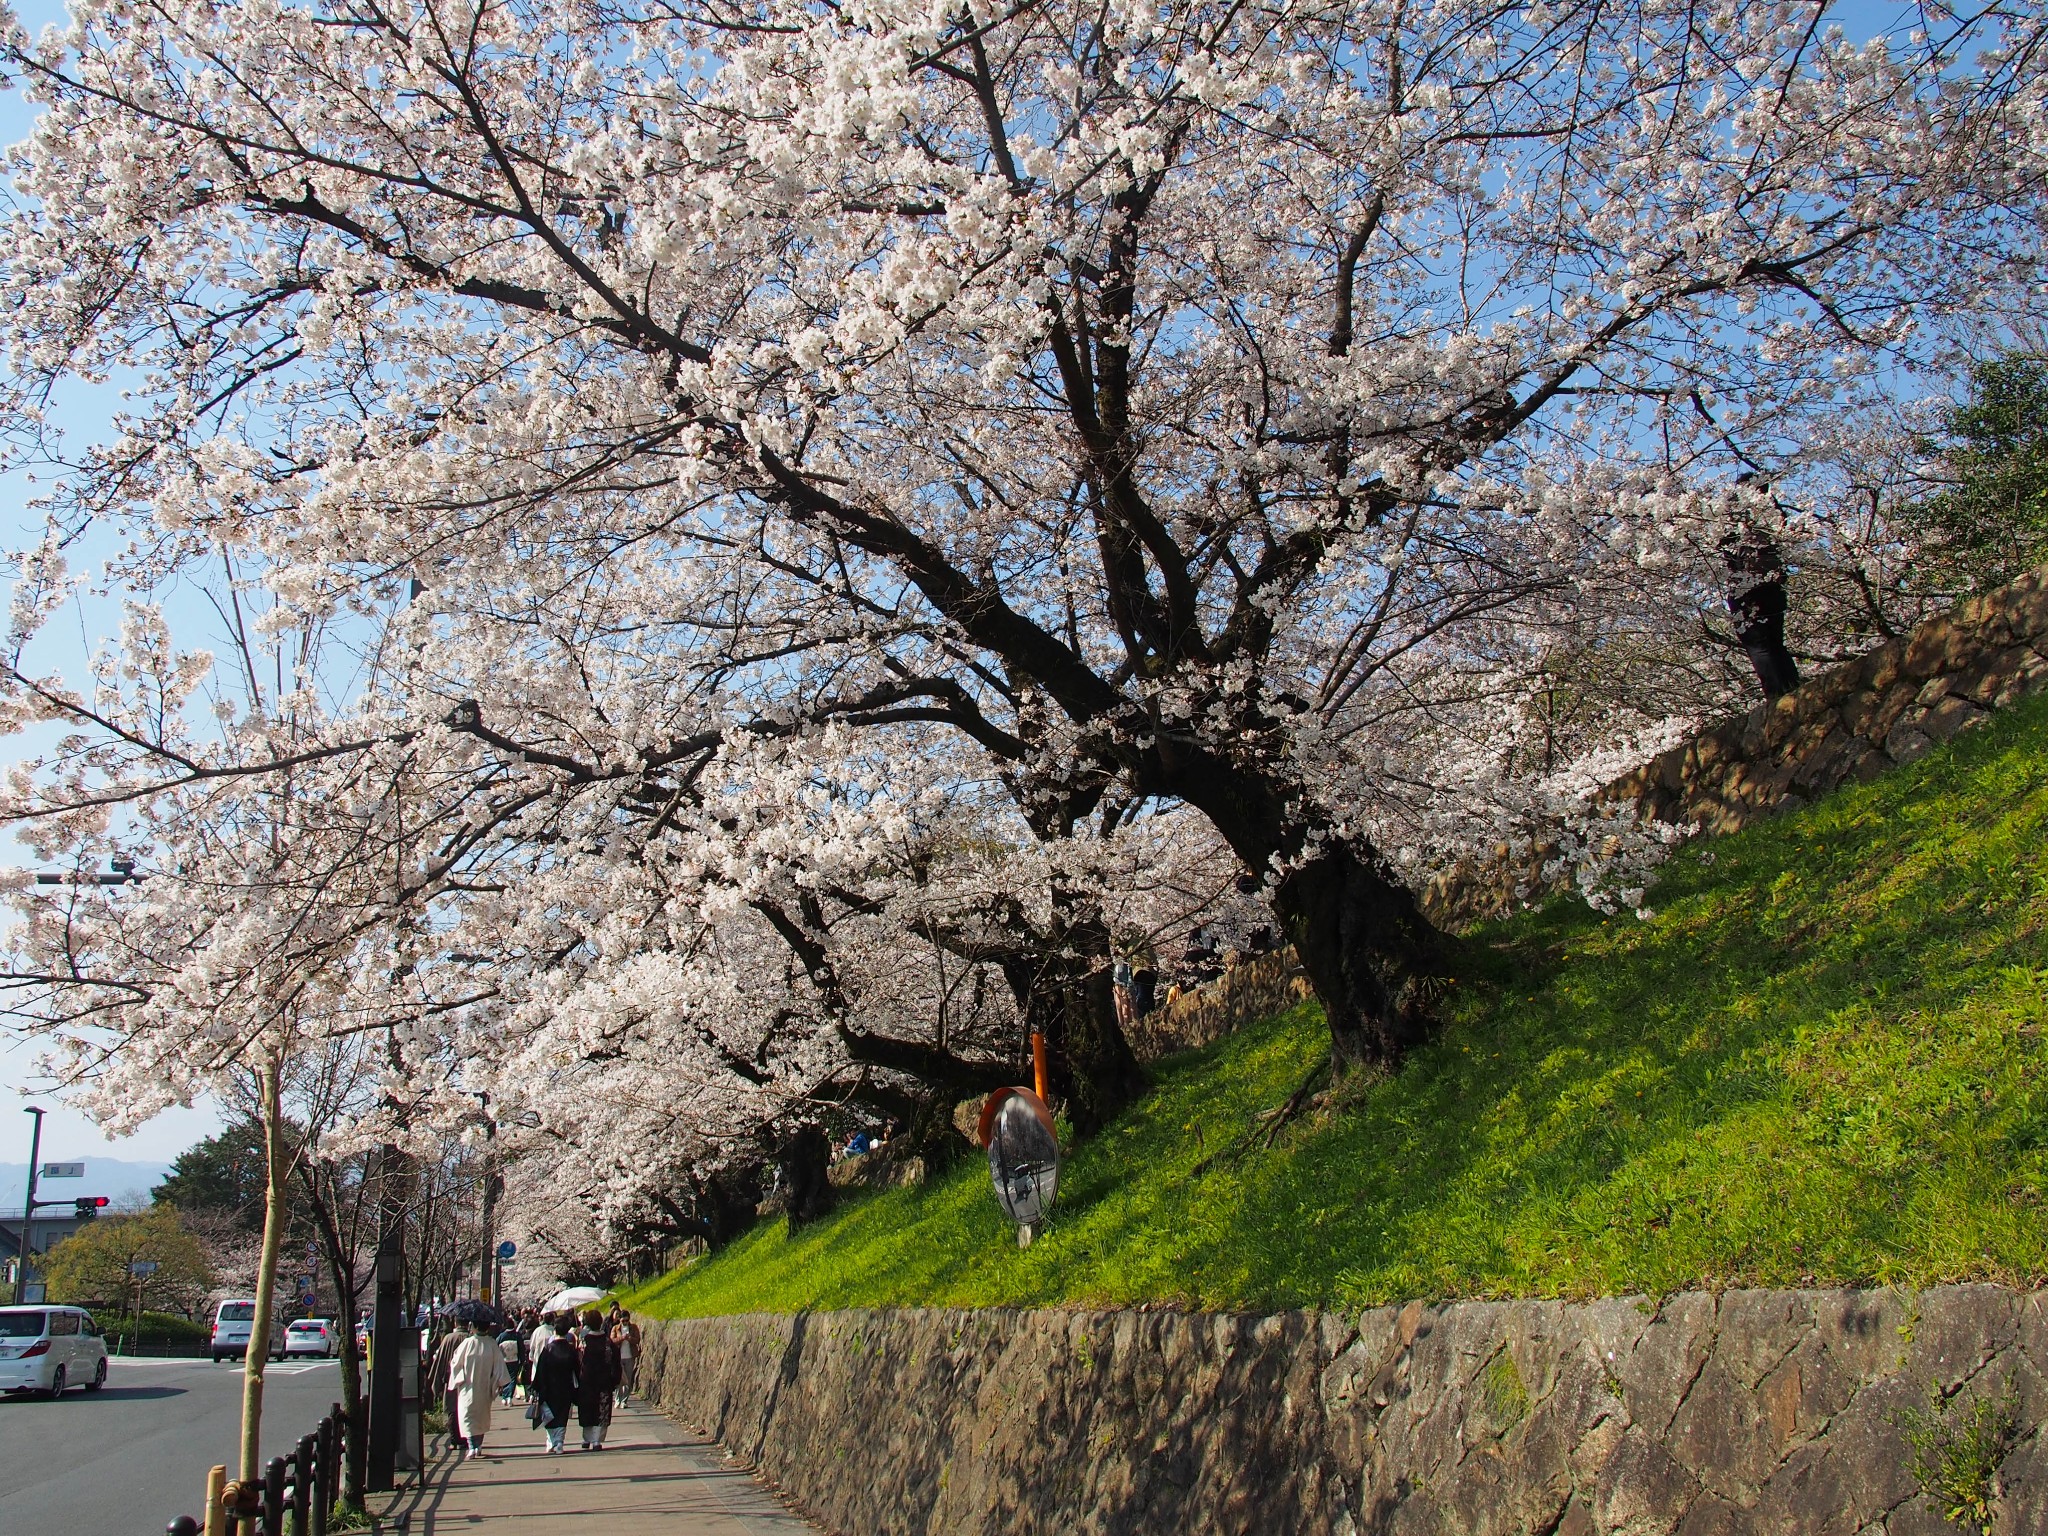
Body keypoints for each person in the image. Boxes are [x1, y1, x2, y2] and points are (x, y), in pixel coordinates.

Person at [446, 1318, 511, 1459]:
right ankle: (475, 1445)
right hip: (484, 1386)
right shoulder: (492, 1344)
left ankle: (473, 1446)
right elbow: (499, 1366)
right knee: (479, 1416)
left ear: (474, 1326)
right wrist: (499, 1383)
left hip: (468, 1386)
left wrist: (459, 1379)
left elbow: (456, 1363)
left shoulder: (467, 1344)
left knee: (469, 1416)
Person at [528, 1317, 580, 1454]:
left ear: (555, 1330)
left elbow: (540, 1370)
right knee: (562, 1415)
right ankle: (559, 1443)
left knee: (549, 1416)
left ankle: (551, 1441)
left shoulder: (548, 1349)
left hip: (549, 1388)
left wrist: (536, 1386)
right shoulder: (571, 1350)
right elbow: (578, 1370)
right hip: (566, 1387)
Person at [576, 1308, 619, 1449]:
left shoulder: (583, 1342)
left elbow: (577, 1362)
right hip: (604, 1382)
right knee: (601, 1410)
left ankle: (586, 1439)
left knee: (587, 1409)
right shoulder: (607, 1343)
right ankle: (597, 1440)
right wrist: (614, 1381)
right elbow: (615, 1363)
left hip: (586, 1382)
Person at [428, 1323, 465, 1454]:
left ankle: (454, 1439)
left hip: (450, 1378)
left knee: (452, 1409)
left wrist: (436, 1382)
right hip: (467, 1380)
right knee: (464, 1409)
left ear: (456, 1323)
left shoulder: (448, 1338)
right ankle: (463, 1438)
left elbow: (440, 1360)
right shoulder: (469, 1338)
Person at [610, 1309, 641, 1406]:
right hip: (619, 1357)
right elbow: (612, 1340)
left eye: (627, 1320)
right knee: (620, 1380)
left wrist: (630, 1338)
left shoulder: (633, 1328)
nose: (625, 1323)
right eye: (623, 1321)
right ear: (620, 1320)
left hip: (630, 1356)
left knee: (628, 1379)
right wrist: (622, 1338)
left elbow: (637, 1339)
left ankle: (624, 1400)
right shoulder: (616, 1328)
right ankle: (618, 1399)